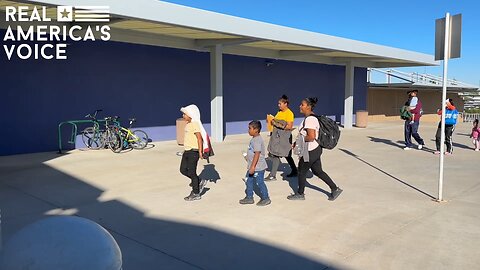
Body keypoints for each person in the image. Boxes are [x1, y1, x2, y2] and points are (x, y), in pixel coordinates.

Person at [288, 97, 342, 201]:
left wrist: (299, 141)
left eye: (302, 105)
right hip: (315, 149)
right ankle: (335, 189)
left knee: (301, 171)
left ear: (308, 107)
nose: (300, 106)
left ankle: (300, 194)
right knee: (318, 171)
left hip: (310, 151)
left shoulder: (310, 120)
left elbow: (311, 136)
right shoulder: (310, 118)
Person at [265, 94, 298, 181]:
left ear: (285, 103)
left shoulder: (289, 113)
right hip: (276, 137)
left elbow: (289, 126)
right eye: (278, 104)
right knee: (281, 154)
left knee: (281, 155)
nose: (278, 105)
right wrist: (270, 121)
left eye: (280, 104)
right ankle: (294, 170)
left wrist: (275, 123)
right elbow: (275, 121)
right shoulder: (279, 112)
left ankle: (272, 176)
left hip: (284, 138)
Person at [239, 120, 271, 206]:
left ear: (256, 129)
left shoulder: (257, 140)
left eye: (250, 128)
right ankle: (249, 197)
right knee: (249, 181)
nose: (248, 130)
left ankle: (266, 198)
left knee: (259, 182)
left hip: (258, 168)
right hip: (252, 166)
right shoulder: (254, 139)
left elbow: (257, 154)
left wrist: (253, 167)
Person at [179, 105, 208, 201]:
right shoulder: (188, 124)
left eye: (185, 114)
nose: (183, 116)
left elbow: (199, 138)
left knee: (192, 172)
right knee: (183, 170)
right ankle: (198, 181)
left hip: (193, 152)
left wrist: (200, 152)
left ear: (190, 115)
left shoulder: (195, 124)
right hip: (187, 151)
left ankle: (196, 193)